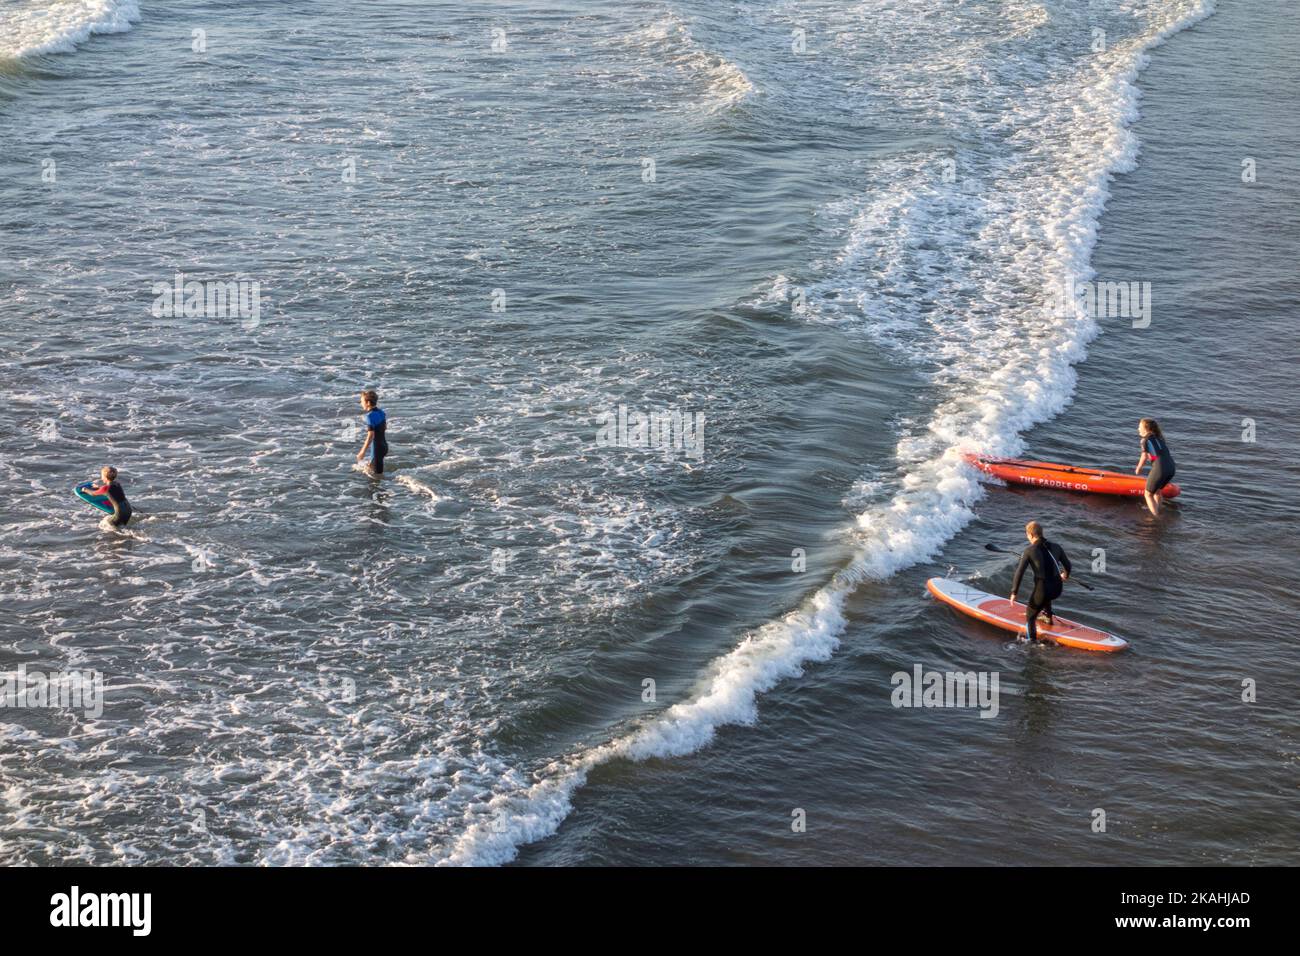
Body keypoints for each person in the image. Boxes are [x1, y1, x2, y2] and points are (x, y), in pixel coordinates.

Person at [1010, 520, 1071, 643]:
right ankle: (1048, 617)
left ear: (1031, 535)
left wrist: (1014, 592)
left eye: (1027, 535)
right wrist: (1065, 575)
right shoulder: (1056, 546)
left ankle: (1031, 644)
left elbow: (1019, 572)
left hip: (1044, 590)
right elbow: (1068, 565)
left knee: (1030, 615)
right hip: (1057, 589)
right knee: (1045, 595)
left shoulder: (1029, 551)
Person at [1135, 418, 1176, 516]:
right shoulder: (1160, 438)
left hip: (1160, 468)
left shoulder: (1144, 440)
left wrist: (1139, 468)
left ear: (1146, 429)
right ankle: (1158, 510)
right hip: (1171, 467)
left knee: (1147, 494)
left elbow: (1144, 456)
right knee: (1157, 491)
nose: (1138, 429)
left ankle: (1155, 518)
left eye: (1140, 427)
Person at [356, 390, 388, 476]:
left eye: (362, 401)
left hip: (377, 449)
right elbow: (385, 427)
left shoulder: (369, 416)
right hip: (384, 446)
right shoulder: (381, 412)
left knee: (376, 478)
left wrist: (362, 451)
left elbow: (371, 435)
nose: (361, 403)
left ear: (368, 403)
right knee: (371, 469)